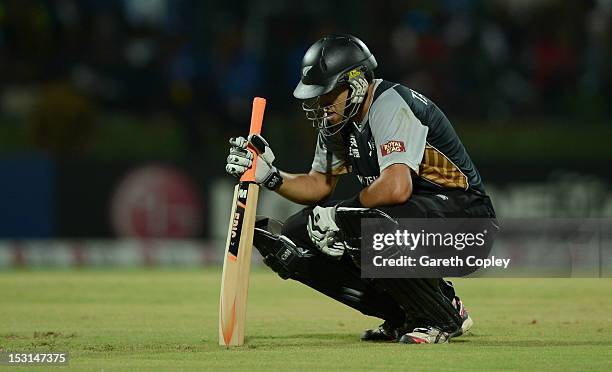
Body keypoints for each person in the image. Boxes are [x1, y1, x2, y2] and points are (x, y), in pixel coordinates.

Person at [225, 34, 496, 344]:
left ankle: (440, 315)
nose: (321, 105)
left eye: (327, 94)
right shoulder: (338, 121)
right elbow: (318, 184)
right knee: (297, 234)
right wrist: (271, 176)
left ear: (356, 83)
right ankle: (403, 315)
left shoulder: (390, 104)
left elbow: (396, 187)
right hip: (418, 221)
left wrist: (337, 215)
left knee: (359, 222)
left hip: (467, 225)